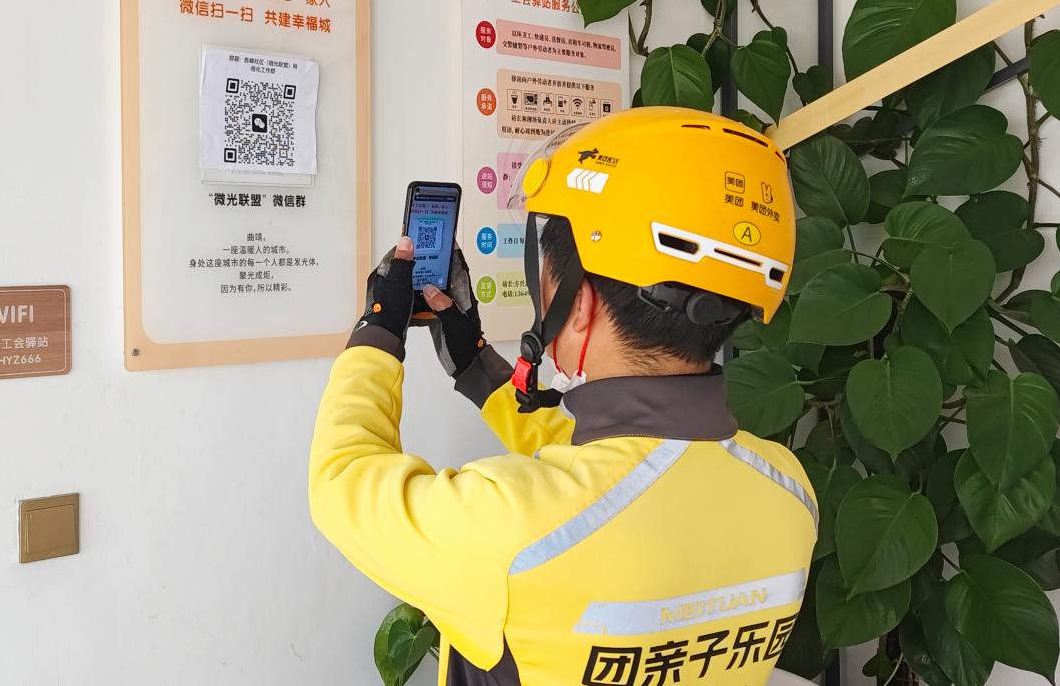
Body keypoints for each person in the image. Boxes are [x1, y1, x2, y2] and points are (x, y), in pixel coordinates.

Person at [309, 107, 817, 686]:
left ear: (580, 306)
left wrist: (378, 330)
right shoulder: (789, 492)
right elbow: (623, 468)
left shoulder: (512, 531)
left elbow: (342, 480)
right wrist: (477, 366)